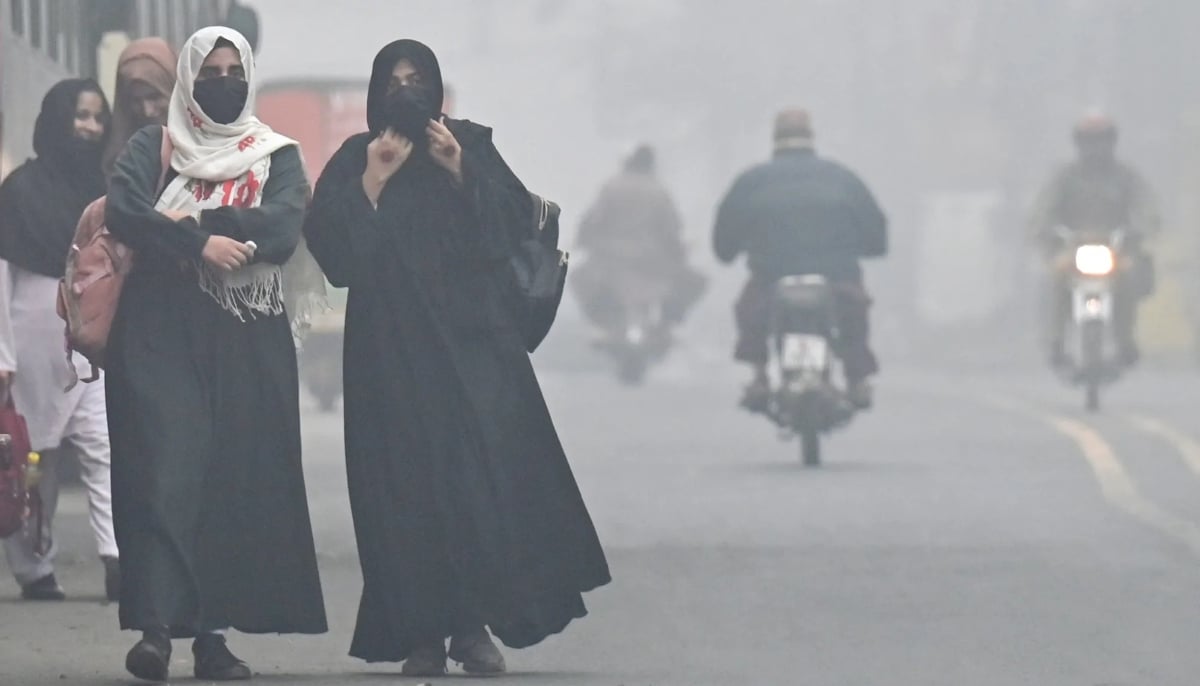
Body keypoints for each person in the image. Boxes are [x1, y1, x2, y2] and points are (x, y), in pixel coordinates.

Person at [303, 39, 610, 677]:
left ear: (437, 86)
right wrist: (373, 182)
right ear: (375, 92)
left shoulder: (468, 145)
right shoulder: (356, 159)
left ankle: (471, 628)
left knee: (476, 484)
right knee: (403, 493)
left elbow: (513, 229)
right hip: (388, 357)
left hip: (473, 351)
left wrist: (458, 168)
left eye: (418, 79)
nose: (407, 92)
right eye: (394, 81)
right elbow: (335, 257)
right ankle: (421, 634)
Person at [105, 27, 327, 682]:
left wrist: (187, 226)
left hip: (244, 335)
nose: (223, 81)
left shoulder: (275, 154)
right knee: (163, 470)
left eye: (235, 70)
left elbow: (284, 227)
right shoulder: (155, 146)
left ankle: (212, 636)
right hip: (158, 333)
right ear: (190, 79)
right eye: (211, 70)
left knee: (230, 483)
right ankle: (154, 629)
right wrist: (198, 245)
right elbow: (123, 209)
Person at [0, 79, 119, 602]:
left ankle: (119, 557)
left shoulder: (102, 190)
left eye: (97, 117)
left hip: (88, 333)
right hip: (30, 338)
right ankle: (34, 568)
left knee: (103, 444)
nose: (89, 127)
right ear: (55, 119)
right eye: (80, 115)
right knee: (36, 456)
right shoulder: (20, 191)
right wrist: (1, 354)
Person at [713, 109, 887, 410]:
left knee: (751, 315)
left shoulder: (751, 181)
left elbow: (725, 239)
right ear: (811, 137)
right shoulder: (844, 179)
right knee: (853, 318)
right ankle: (857, 381)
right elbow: (876, 234)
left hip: (771, 277)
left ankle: (760, 377)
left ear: (775, 138)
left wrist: (734, 250)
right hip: (837, 276)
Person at [1030, 113, 1159, 366]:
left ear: (1112, 143)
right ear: (1079, 144)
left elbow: (1147, 206)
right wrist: (1044, 230)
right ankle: (1055, 340)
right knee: (1056, 283)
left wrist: (1145, 227)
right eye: (1089, 142)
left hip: (1116, 247)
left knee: (1128, 282)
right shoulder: (1065, 177)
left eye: (1101, 141)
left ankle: (1125, 339)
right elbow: (1043, 210)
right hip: (1072, 247)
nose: (1095, 148)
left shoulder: (1125, 176)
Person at [573, 144, 706, 341]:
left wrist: (583, 240)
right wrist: (678, 249)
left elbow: (593, 221)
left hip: (611, 257)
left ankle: (606, 325)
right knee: (694, 282)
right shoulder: (659, 190)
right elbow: (671, 227)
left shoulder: (612, 187)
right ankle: (666, 326)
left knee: (578, 278)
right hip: (652, 261)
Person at [103, 37, 177, 178]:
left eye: (154, 97)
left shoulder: (206, 148)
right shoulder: (118, 159)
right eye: (136, 101)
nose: (147, 111)